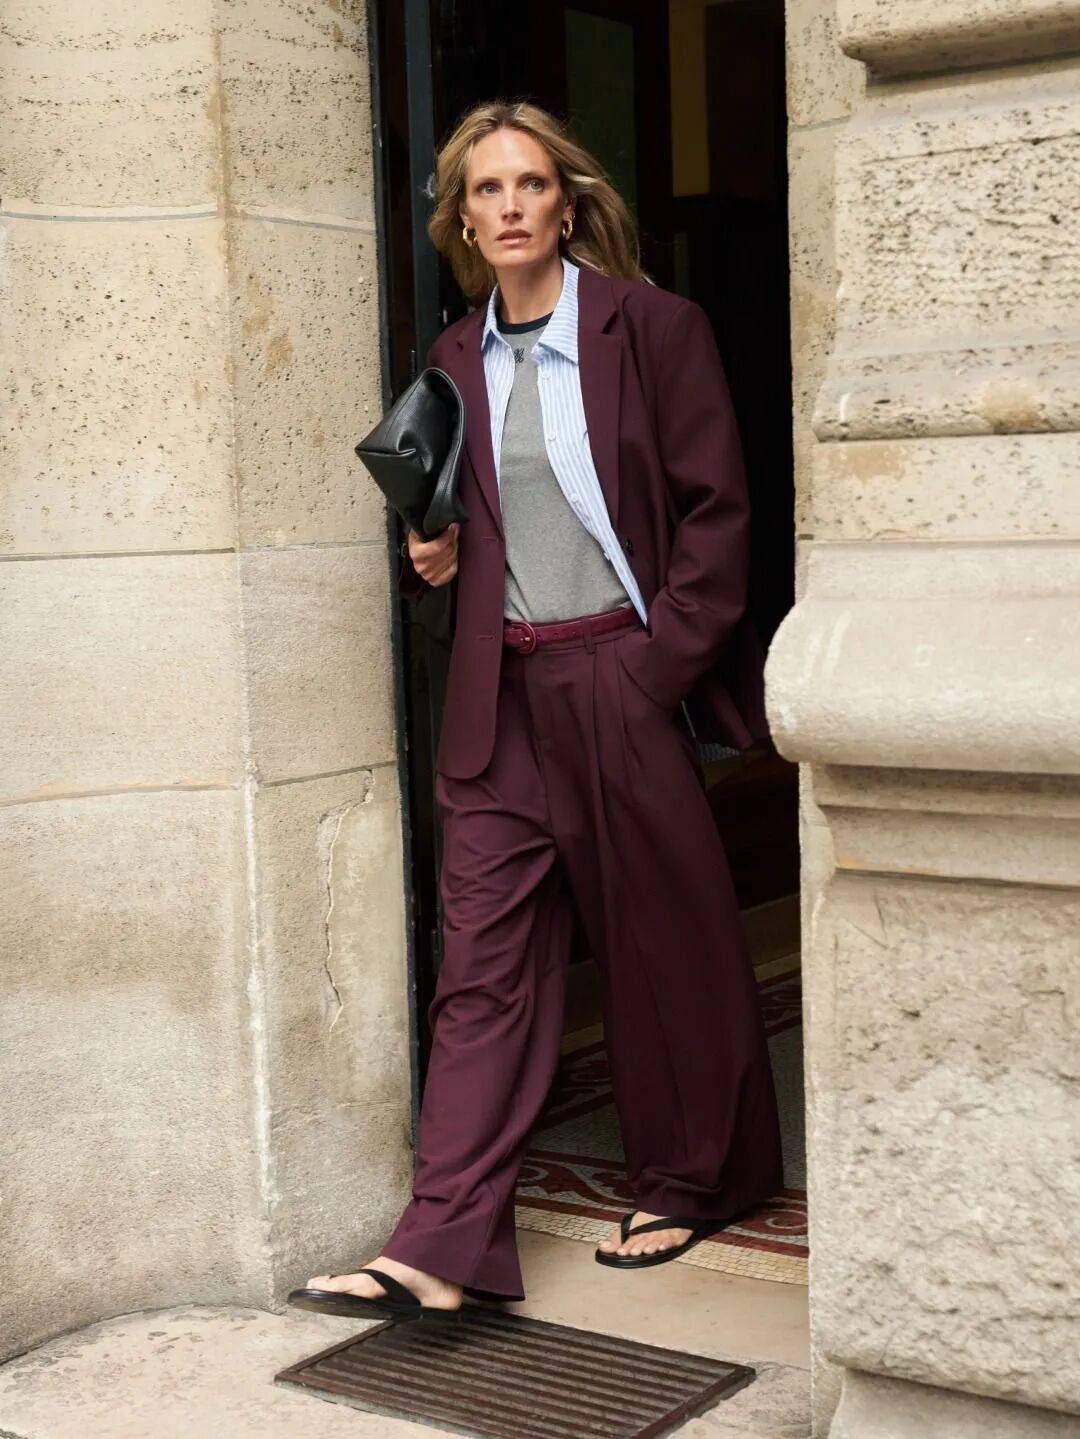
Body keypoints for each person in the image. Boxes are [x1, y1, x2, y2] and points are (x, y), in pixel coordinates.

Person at [291, 99, 783, 1322]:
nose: (509, 206)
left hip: (618, 673)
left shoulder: (652, 328)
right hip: (497, 695)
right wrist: (433, 552)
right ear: (462, 221)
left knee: (660, 941)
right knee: (483, 971)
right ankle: (437, 1243)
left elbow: (718, 513)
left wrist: (655, 670)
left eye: (530, 184)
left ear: (567, 202)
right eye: (486, 189)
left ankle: (695, 1179)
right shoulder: (454, 358)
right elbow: (468, 522)